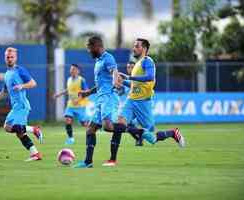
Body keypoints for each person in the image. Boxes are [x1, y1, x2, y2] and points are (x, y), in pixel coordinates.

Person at [103, 38, 185, 167]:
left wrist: (129, 77)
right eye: (134, 46)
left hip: (143, 103)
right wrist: (122, 80)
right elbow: (134, 84)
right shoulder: (137, 64)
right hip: (131, 100)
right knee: (119, 125)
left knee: (152, 138)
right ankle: (112, 160)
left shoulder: (148, 61)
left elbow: (149, 77)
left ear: (144, 48)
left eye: (137, 46)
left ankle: (172, 133)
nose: (134, 48)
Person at [0, 47, 43, 161]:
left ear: (16, 58)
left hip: (22, 105)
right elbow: (4, 92)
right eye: (8, 57)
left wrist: (22, 86)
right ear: (5, 58)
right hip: (15, 107)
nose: (10, 59)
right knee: (9, 128)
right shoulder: (6, 74)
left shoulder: (20, 70)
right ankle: (35, 154)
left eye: (12, 57)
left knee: (17, 128)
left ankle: (35, 129)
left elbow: (33, 83)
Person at [73, 35, 120, 168]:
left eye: (89, 47)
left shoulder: (108, 58)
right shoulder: (98, 61)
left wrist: (116, 80)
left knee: (108, 127)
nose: (88, 50)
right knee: (90, 129)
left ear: (97, 46)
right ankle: (88, 162)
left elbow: (114, 72)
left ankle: (136, 132)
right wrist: (87, 92)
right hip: (100, 98)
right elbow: (101, 83)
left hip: (109, 98)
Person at [53, 64, 89, 145]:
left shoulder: (81, 80)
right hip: (70, 105)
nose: (71, 71)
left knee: (84, 124)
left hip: (80, 105)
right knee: (67, 120)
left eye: (73, 69)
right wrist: (59, 94)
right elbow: (68, 90)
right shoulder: (69, 79)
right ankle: (70, 138)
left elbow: (87, 92)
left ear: (78, 71)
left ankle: (91, 135)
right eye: (71, 69)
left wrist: (78, 99)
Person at [117, 61, 144, 146]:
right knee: (126, 126)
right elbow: (121, 92)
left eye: (132, 67)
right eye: (128, 67)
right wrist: (118, 89)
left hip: (137, 106)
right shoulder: (124, 79)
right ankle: (139, 137)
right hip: (128, 107)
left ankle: (140, 135)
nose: (130, 69)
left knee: (124, 125)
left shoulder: (139, 79)